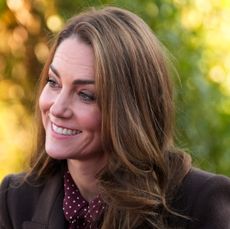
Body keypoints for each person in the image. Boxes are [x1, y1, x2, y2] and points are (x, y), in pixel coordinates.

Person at [0, 6, 230, 229]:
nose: (57, 108)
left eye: (86, 95)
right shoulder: (15, 200)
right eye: (53, 82)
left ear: (130, 109)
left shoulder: (203, 203)